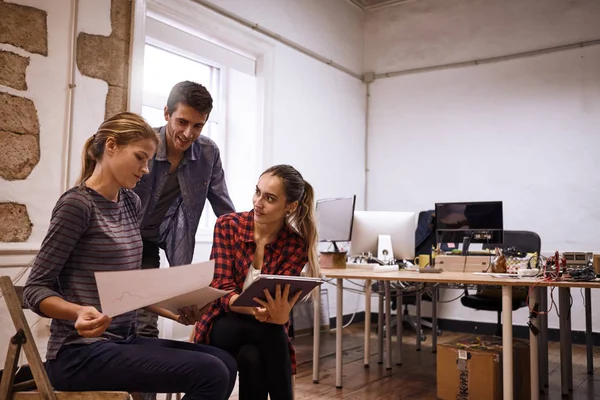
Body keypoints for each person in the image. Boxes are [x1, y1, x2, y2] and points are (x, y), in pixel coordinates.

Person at [23, 112, 237, 399]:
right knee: (211, 372)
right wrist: (77, 312)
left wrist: (174, 311)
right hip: (78, 353)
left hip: (123, 341)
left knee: (226, 362)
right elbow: (34, 288)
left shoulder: (130, 202)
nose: (146, 169)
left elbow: (128, 290)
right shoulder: (78, 205)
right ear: (111, 146)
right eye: (140, 157)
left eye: (148, 160)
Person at [193, 164, 319, 400]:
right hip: (223, 323)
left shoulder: (295, 245)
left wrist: (280, 316)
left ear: (290, 206)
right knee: (270, 333)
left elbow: (281, 305)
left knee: (251, 356)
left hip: (265, 327)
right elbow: (221, 290)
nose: (258, 202)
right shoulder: (227, 226)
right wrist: (259, 311)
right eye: (257, 192)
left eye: (269, 198)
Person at [134, 80, 236, 340]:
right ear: (167, 113)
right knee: (118, 317)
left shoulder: (208, 153)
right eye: (182, 122)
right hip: (122, 238)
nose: (189, 133)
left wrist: (249, 239)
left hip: (154, 242)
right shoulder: (143, 146)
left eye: (198, 126)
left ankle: (146, 377)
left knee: (146, 325)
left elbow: (224, 208)